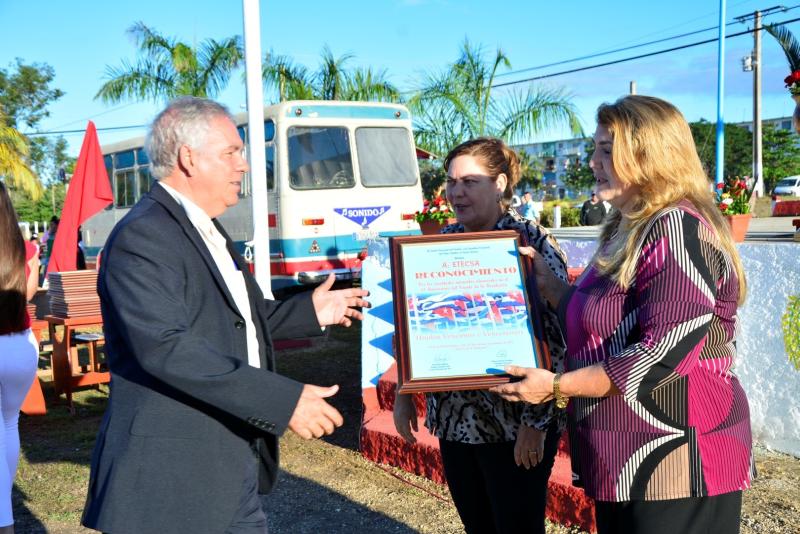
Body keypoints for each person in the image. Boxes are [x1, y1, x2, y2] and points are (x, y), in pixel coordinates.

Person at [81, 97, 370, 534]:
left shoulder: (203, 225)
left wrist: (310, 310)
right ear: (189, 159)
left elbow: (237, 323)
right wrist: (283, 399)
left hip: (229, 464)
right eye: (232, 152)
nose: (246, 165)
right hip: (171, 483)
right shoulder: (144, 235)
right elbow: (165, 348)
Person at [491, 95, 754, 534]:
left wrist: (557, 386)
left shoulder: (678, 228)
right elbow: (607, 320)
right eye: (595, 148)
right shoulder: (628, 226)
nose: (593, 161)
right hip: (629, 457)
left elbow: (661, 355)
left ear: (650, 154)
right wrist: (553, 289)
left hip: (679, 460)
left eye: (607, 150)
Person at [393, 137, 568, 534]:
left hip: (515, 423)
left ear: (501, 183)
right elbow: (413, 328)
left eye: (470, 181)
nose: (456, 192)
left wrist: (535, 424)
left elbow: (557, 340)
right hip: (456, 422)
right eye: (451, 181)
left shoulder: (531, 241)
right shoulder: (436, 245)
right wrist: (405, 395)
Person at [0, 182, 40, 534]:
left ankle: (4, 521)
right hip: (20, 346)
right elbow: (28, 293)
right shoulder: (25, 249)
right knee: (9, 424)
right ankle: (4, 507)